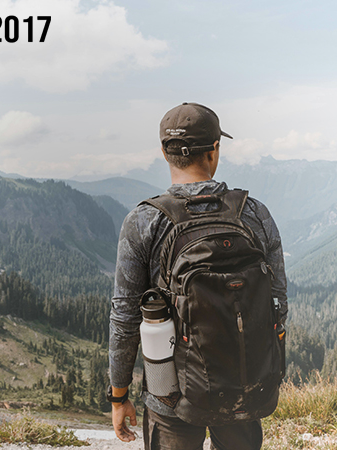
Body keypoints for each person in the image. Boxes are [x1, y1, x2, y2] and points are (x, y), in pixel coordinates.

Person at [108, 102, 288, 450]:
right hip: (244, 387)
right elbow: (277, 301)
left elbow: (125, 317)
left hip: (171, 394)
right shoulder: (254, 213)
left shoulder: (145, 220)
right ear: (215, 149)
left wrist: (118, 395)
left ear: (164, 152)